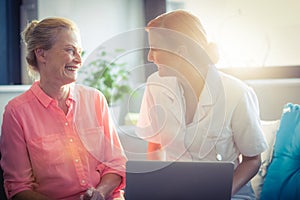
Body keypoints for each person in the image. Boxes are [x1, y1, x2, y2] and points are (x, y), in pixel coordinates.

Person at [136, 10, 267, 199]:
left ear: (180, 52)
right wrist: (160, 185)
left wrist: (219, 193)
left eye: (155, 49)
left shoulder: (237, 93)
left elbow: (252, 159)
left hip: (230, 194)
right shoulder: (155, 85)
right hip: (176, 192)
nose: (149, 57)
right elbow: (155, 145)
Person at [0, 17, 127, 200]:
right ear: (41, 54)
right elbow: (18, 188)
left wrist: (100, 192)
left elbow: (115, 164)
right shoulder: (16, 112)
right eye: (70, 50)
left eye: (80, 52)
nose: (79, 60)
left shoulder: (95, 99)